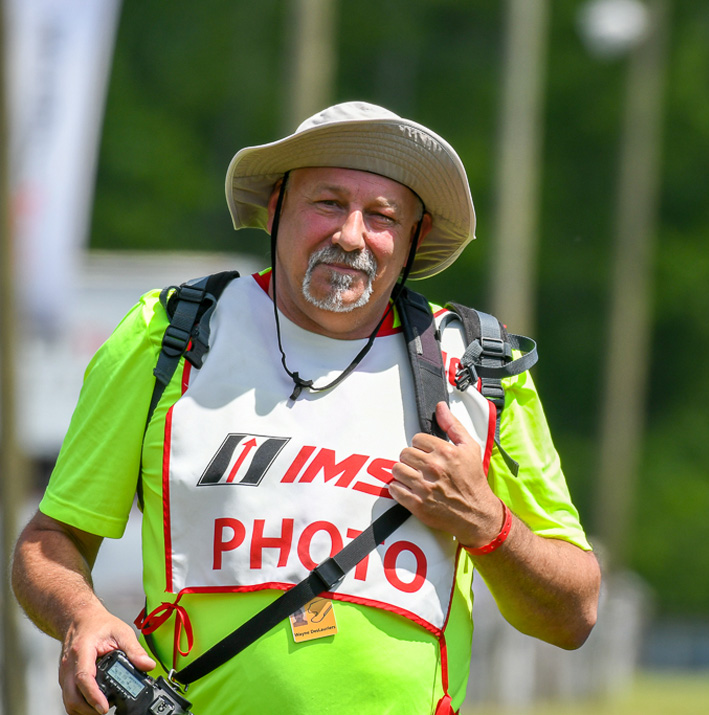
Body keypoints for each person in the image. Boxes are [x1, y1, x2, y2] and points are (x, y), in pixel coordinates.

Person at [12, 101, 601, 715]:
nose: (351, 235)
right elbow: (51, 540)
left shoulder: (475, 368)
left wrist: (489, 525)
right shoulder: (168, 333)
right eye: (327, 202)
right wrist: (81, 615)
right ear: (276, 208)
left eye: (382, 215)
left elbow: (574, 615)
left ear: (413, 240)